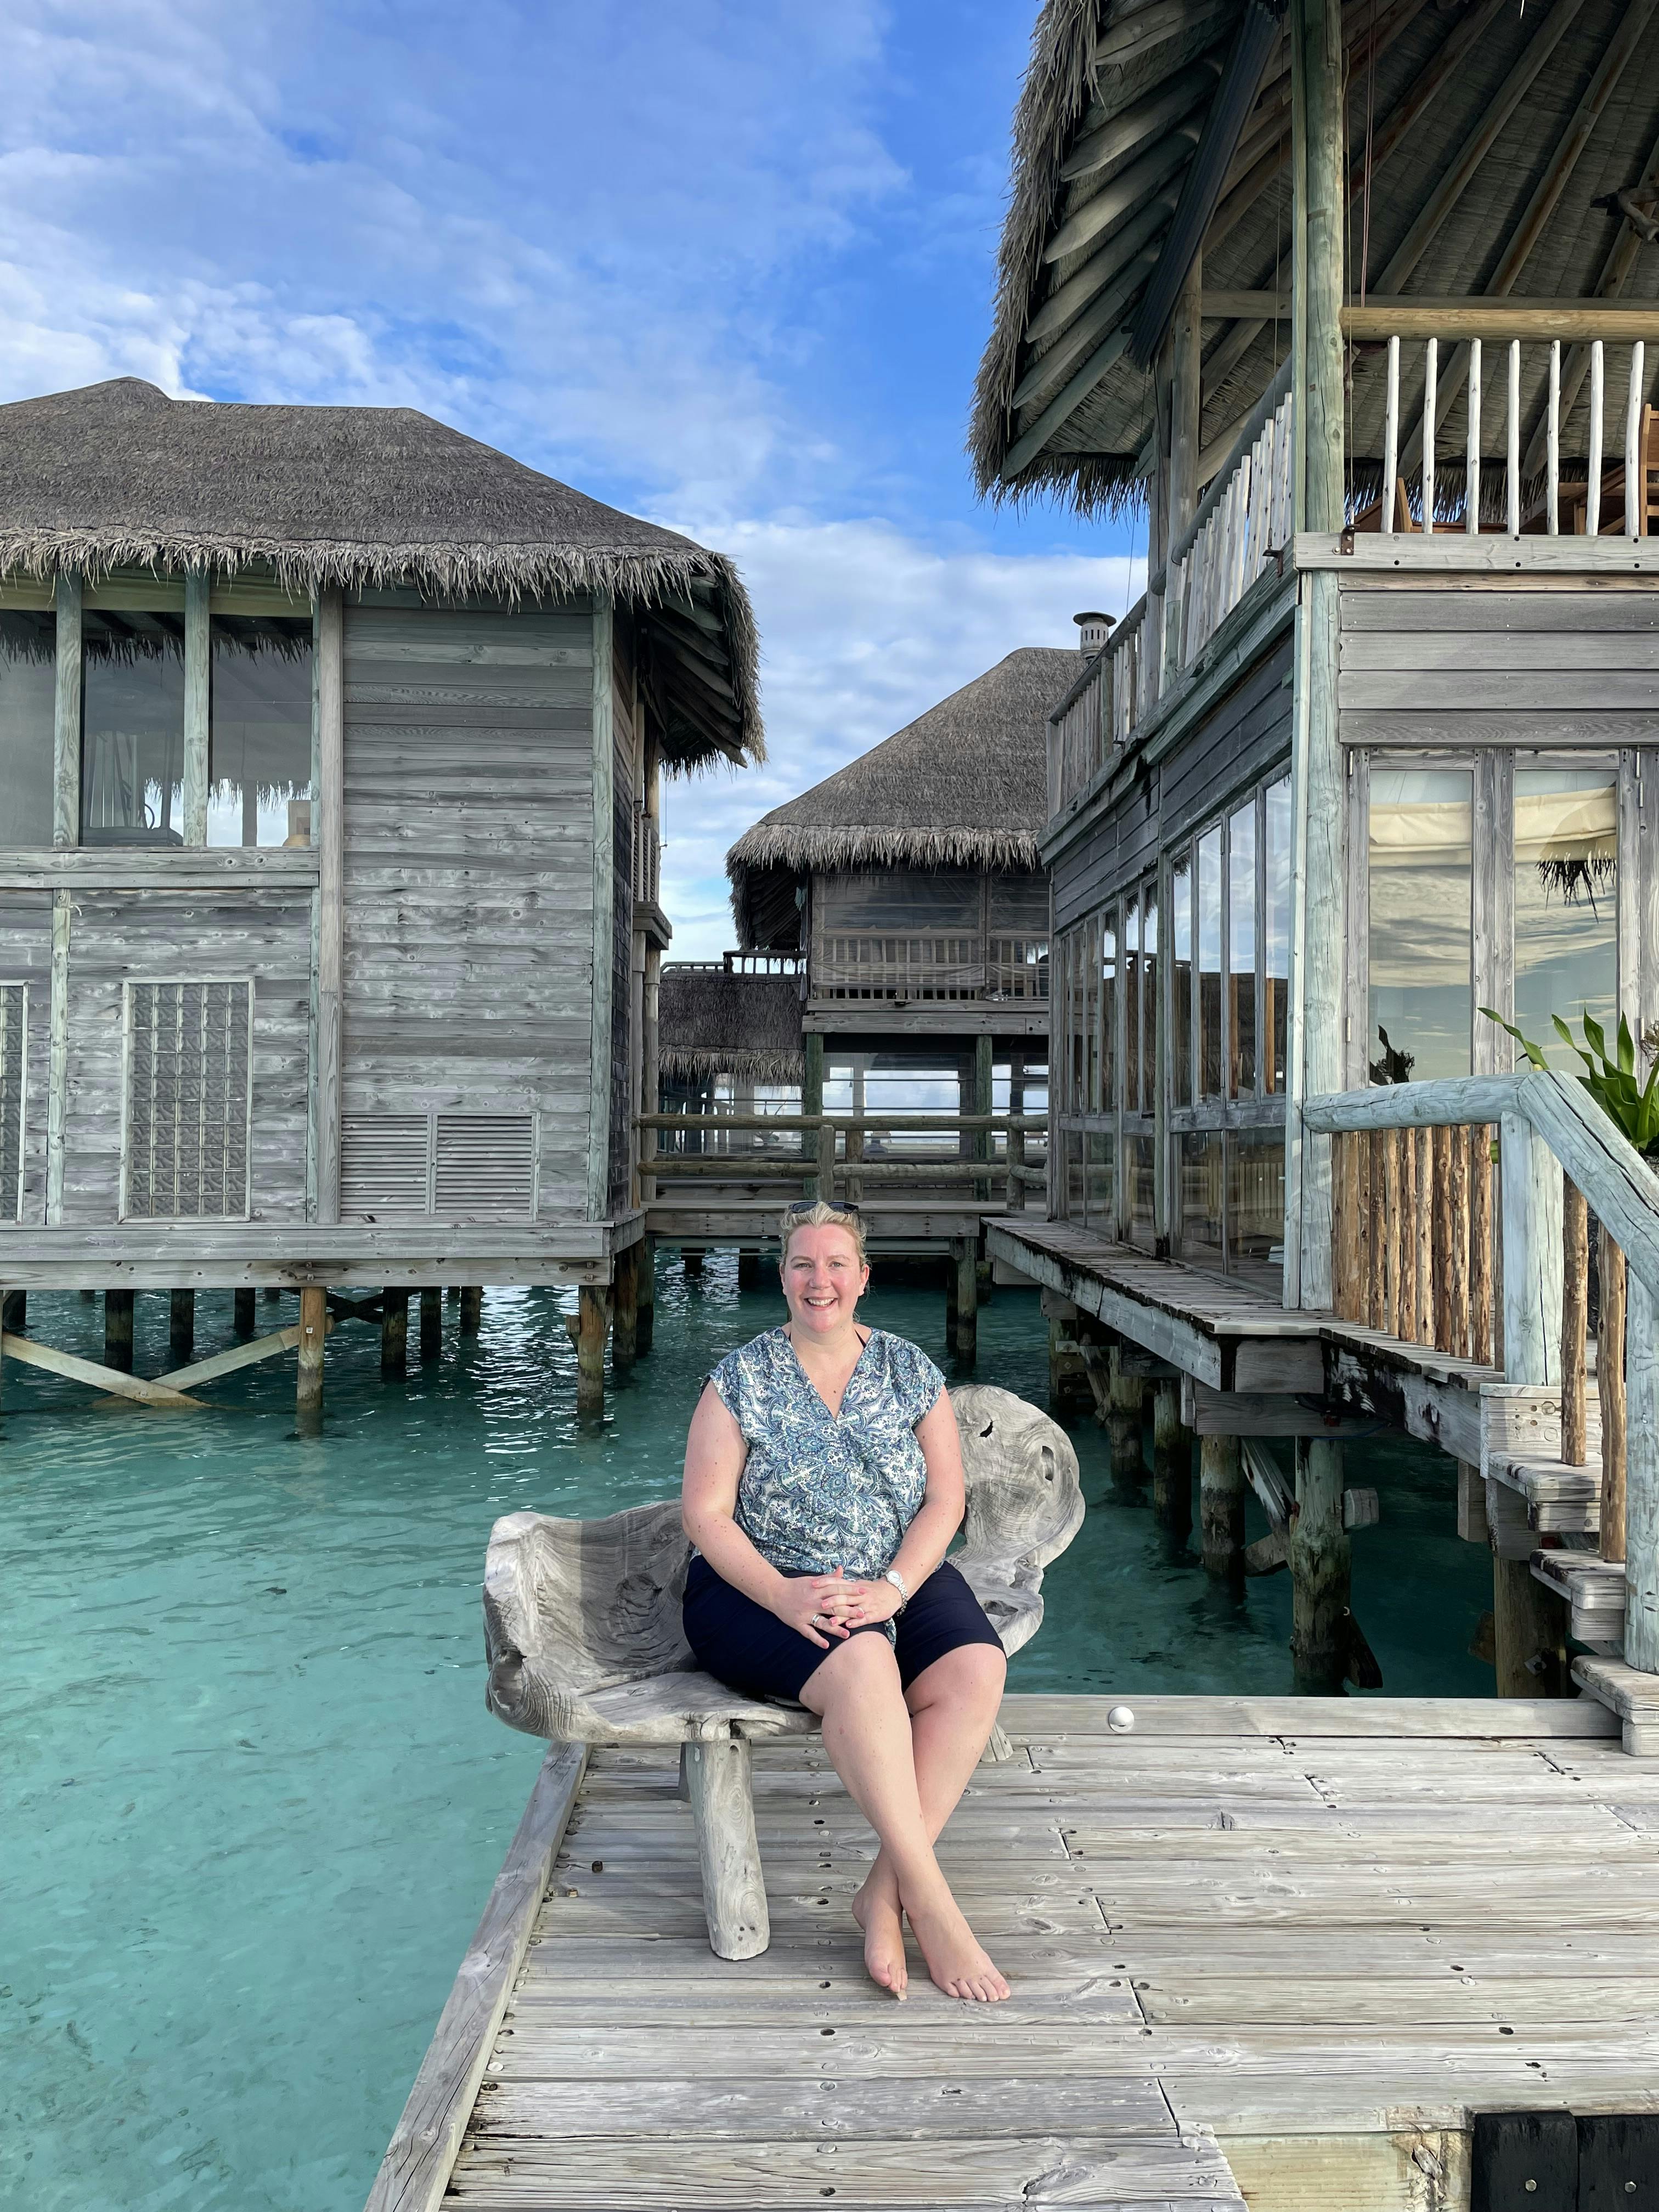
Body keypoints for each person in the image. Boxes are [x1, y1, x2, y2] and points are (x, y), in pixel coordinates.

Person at [680, 1198, 1010, 2002]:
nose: (818, 1280)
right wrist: (783, 1595)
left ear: (864, 1277)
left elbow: (946, 1501)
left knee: (976, 1669)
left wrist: (895, 1587)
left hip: (893, 1573)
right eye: (803, 1264)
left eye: (836, 1264)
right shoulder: (740, 1380)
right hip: (759, 1585)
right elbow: (706, 1516)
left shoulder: (907, 1369)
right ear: (782, 1276)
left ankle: (882, 1892)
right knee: (862, 1665)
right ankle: (931, 1903)